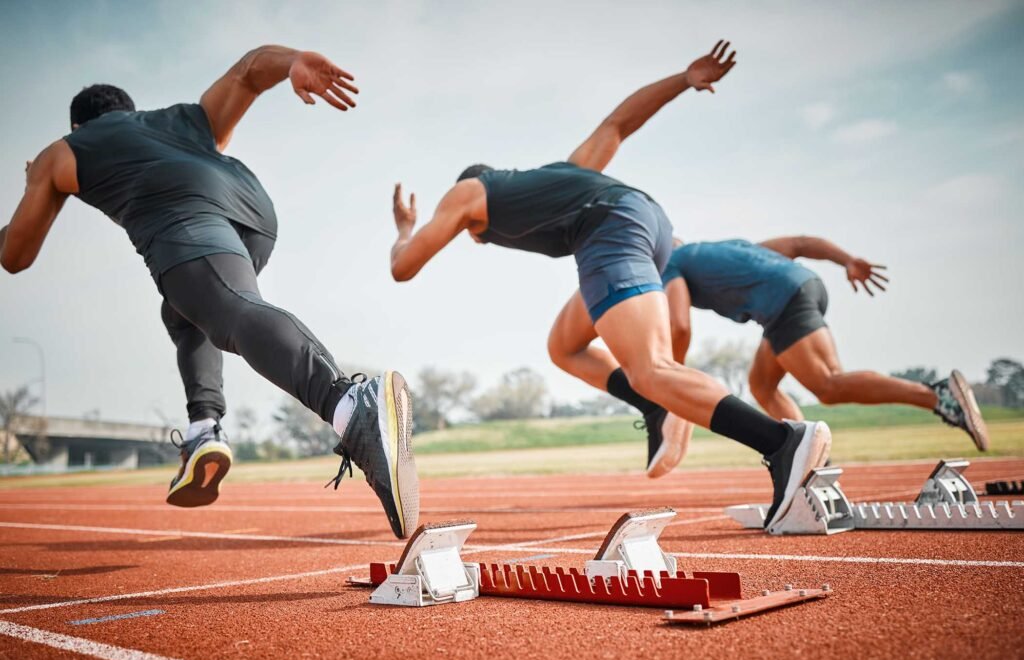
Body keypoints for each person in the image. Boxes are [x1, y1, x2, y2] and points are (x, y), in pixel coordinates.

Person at [389, 41, 832, 531]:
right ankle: (653, 404)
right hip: (649, 225)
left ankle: (780, 441)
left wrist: (408, 228)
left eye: (473, 235)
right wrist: (684, 80)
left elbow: (403, 268)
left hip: (611, 229)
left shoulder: (468, 193)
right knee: (565, 345)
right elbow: (616, 125)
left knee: (652, 369)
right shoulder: (562, 176)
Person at [0, 45, 418, 539]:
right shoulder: (178, 120)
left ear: (78, 126)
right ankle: (204, 429)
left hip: (185, 215)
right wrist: (292, 62)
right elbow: (247, 72)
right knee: (185, 311)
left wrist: (36, 182)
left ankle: (349, 404)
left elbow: (16, 255)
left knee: (230, 310)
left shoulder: (65, 151)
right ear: (129, 112)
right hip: (250, 210)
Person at [549, 236, 989, 471]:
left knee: (829, 384)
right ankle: (810, 462)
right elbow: (797, 243)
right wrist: (847, 260)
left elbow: (679, 324)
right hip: (803, 288)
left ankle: (938, 395)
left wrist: (669, 380)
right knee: (762, 384)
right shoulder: (729, 247)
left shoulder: (671, 265)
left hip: (784, 303)